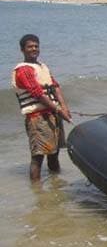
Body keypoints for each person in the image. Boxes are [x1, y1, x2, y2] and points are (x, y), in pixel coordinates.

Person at [11, 34, 72, 181]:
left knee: (54, 153)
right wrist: (58, 110)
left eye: (36, 46)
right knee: (38, 157)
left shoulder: (42, 67)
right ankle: (38, 193)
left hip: (53, 115)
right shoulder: (23, 70)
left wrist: (64, 107)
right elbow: (37, 94)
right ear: (22, 50)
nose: (34, 49)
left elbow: (55, 87)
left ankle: (56, 185)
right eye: (30, 46)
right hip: (37, 118)